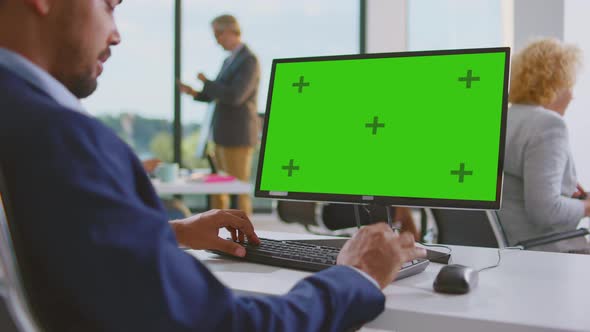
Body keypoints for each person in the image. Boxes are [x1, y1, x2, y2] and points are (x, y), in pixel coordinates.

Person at [0, 1, 425, 331]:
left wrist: (169, 233)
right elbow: (226, 327)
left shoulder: (20, 119)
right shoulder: (63, 139)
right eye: (109, 6)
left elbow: (42, 240)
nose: (117, 35)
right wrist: (358, 277)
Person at [498, 38, 590, 254]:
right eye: (569, 86)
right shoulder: (548, 125)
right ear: (555, 86)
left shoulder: (504, 118)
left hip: (507, 246)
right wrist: (586, 207)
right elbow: (544, 210)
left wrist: (568, 194)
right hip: (547, 251)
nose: (572, 95)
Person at [179, 14, 259, 216]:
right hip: (222, 134)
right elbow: (218, 94)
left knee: (238, 189)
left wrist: (206, 82)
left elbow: (235, 96)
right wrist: (195, 92)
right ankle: (218, 230)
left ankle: (245, 234)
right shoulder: (228, 60)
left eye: (218, 34)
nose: (216, 40)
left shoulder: (249, 60)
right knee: (218, 188)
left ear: (232, 30)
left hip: (238, 135)